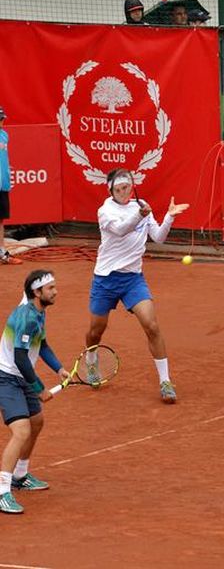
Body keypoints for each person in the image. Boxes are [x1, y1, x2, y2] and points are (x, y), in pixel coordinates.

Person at [86, 169, 189, 404]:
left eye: (127, 188)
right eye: (120, 189)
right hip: (105, 279)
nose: (125, 192)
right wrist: (140, 216)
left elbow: (159, 237)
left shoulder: (140, 205)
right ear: (111, 190)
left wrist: (170, 217)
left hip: (133, 279)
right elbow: (121, 230)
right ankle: (91, 360)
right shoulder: (105, 211)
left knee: (151, 325)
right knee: (96, 330)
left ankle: (165, 381)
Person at [0, 269, 69, 514]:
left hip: (22, 377)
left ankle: (20, 476)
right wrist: (39, 388)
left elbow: (42, 344)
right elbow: (19, 357)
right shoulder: (27, 318)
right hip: (7, 378)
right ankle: (2, 491)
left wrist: (59, 368)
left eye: (54, 286)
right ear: (36, 292)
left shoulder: (38, 314)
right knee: (21, 431)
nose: (55, 291)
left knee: (37, 422)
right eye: (50, 288)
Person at [0, 106, 23, 265]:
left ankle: (2, 253)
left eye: (2, 118)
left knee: (0, 219)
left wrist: (7, 179)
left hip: (3, 185)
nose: (2, 121)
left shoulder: (4, 135)